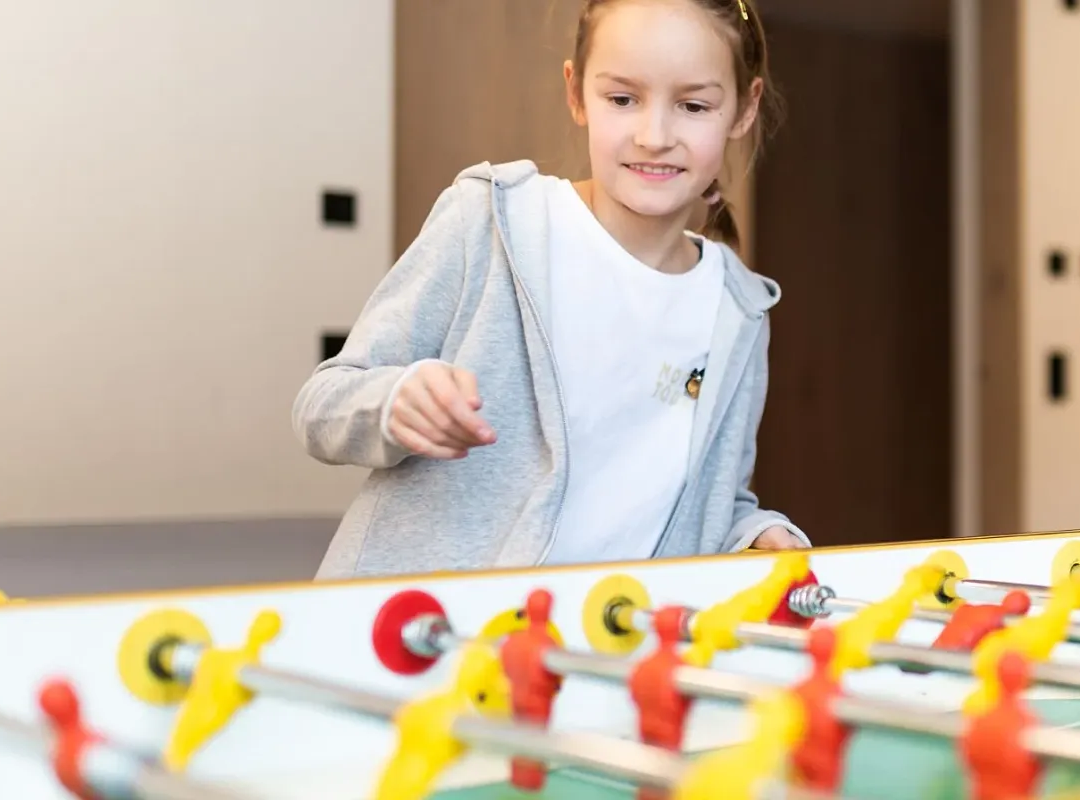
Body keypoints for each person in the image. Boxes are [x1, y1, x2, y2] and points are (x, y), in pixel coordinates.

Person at [294, 0, 807, 579]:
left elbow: (710, 501)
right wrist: (395, 402)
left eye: (693, 105)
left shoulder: (739, 310)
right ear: (576, 92)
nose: (654, 135)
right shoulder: (491, 219)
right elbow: (323, 406)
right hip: (418, 644)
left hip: (588, 658)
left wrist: (754, 534)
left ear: (744, 108)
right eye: (622, 99)